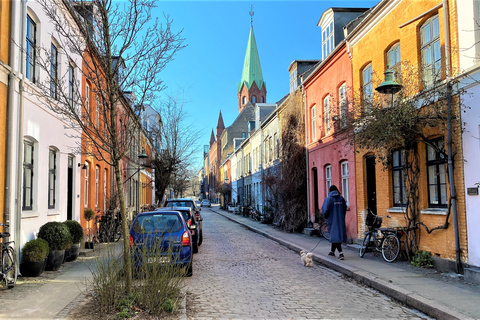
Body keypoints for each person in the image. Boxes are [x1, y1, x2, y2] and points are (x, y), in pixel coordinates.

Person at [321, 185, 347, 260]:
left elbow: (325, 210)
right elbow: (344, 209)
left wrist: (325, 216)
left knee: (335, 236)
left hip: (332, 220)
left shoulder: (329, 199)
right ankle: (332, 252)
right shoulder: (341, 199)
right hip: (340, 220)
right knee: (336, 236)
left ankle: (341, 253)